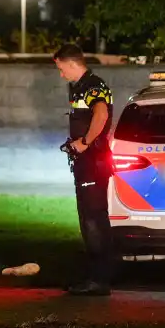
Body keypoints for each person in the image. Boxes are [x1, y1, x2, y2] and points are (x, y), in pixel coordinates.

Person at [53, 43, 115, 296]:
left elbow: (100, 114)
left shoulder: (92, 86)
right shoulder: (81, 87)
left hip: (93, 163)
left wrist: (84, 143)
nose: (61, 74)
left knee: (93, 219)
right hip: (88, 163)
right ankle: (96, 276)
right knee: (90, 218)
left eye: (61, 68)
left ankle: (99, 280)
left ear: (71, 63)